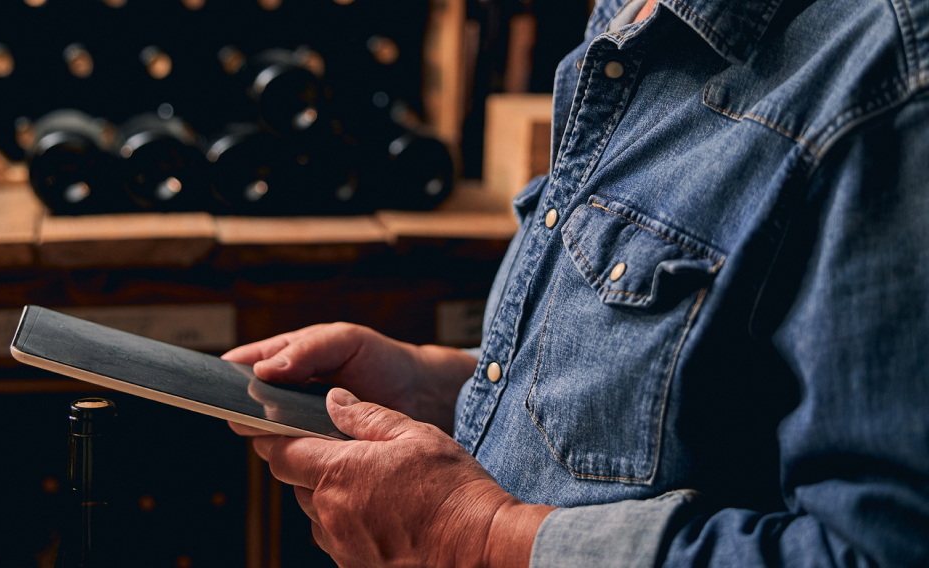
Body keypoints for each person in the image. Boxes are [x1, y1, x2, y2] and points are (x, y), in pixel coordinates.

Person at [224, 0, 929, 565]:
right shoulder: (634, 17)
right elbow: (709, 380)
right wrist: (443, 387)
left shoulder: (889, 78)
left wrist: (471, 535)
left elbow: (876, 548)